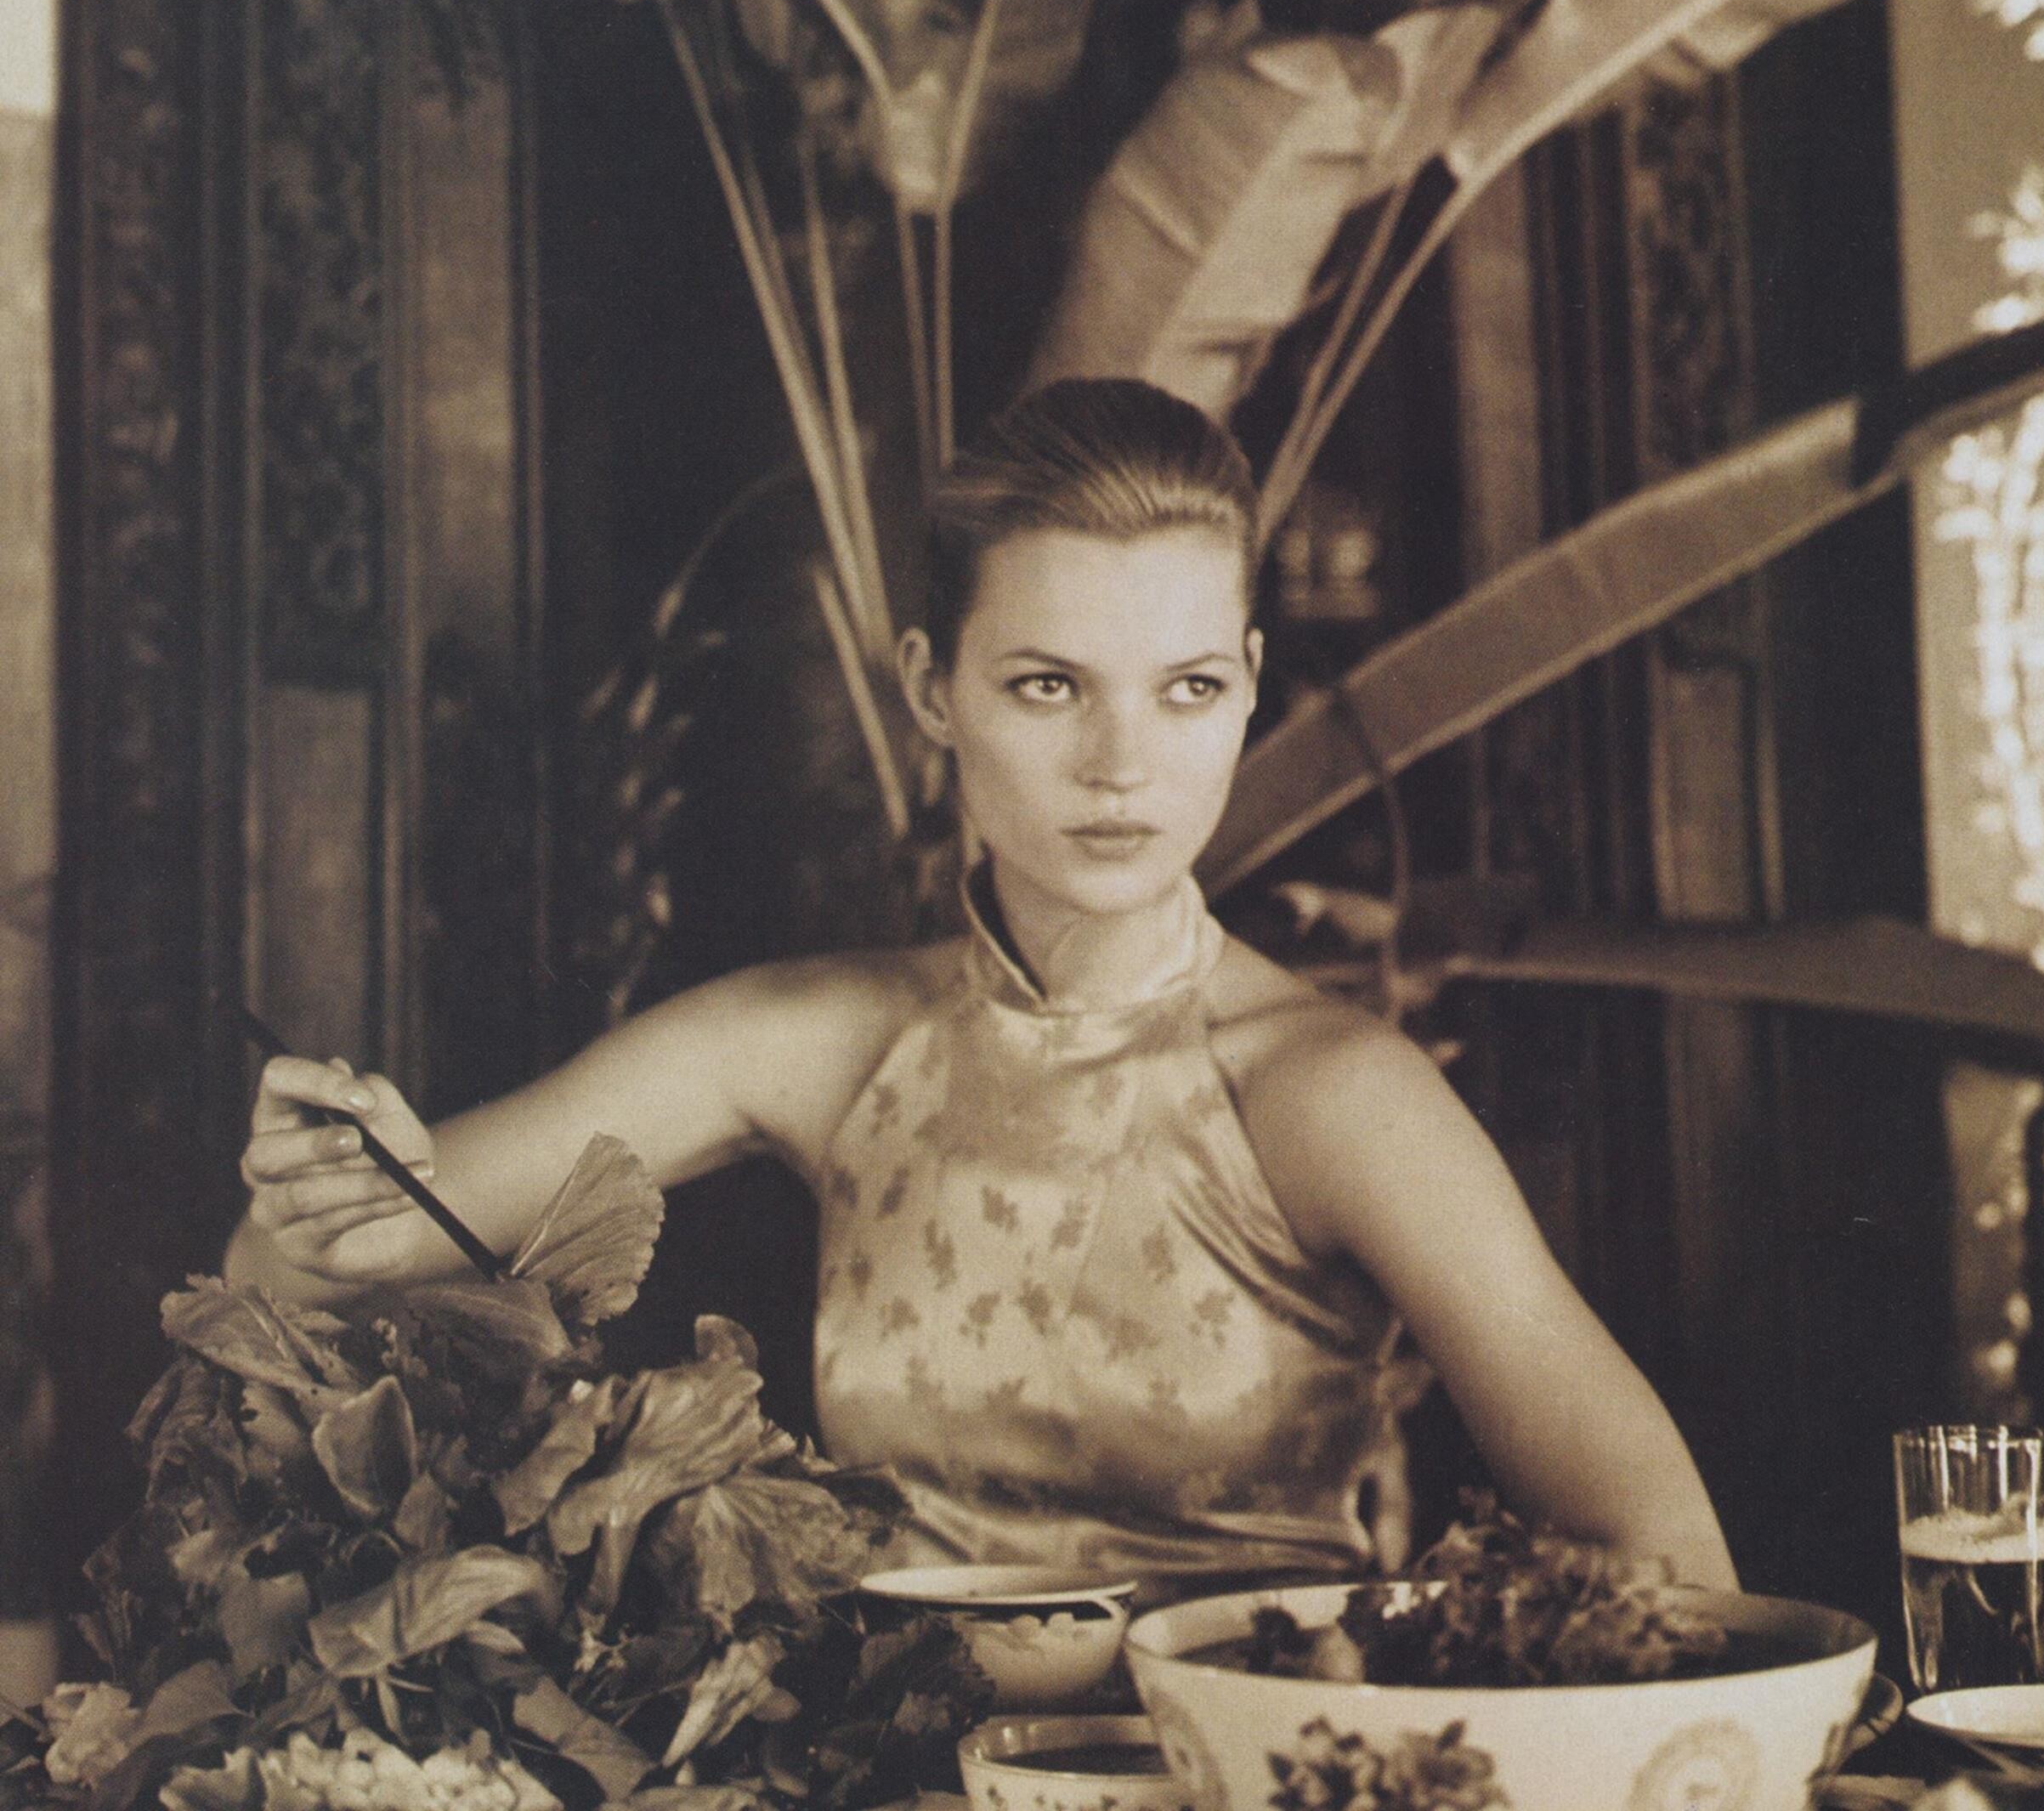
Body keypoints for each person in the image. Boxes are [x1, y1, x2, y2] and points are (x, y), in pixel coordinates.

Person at [229, 377, 1734, 1600]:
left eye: (1188, 687)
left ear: (1250, 683)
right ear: (928, 688)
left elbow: (1671, 1556)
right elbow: (296, 1277)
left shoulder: (1332, 1092)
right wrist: (328, 1185)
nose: (1123, 763)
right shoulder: (819, 1042)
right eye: (1048, 684)